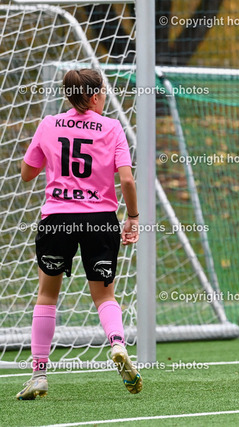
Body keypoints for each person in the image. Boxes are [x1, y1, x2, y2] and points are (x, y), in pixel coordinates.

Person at [17, 69, 140, 399]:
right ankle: (117, 344)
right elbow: (127, 180)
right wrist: (132, 217)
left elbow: (27, 173)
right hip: (100, 220)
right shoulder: (112, 127)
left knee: (47, 295)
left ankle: (39, 374)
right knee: (104, 296)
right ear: (95, 95)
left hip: (58, 219)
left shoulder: (49, 124)